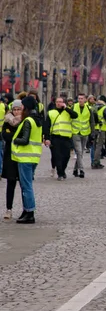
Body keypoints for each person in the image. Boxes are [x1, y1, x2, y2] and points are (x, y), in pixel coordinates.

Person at [12, 96, 44, 224]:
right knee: (27, 185)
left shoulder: (28, 121)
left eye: (23, 106)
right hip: (34, 156)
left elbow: (24, 140)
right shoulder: (37, 120)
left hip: (25, 157)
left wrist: (15, 140)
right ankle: (26, 210)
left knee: (26, 186)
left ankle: (30, 212)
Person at [44, 96, 78, 180]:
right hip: (55, 137)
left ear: (64, 103)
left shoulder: (68, 112)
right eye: (57, 102)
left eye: (60, 102)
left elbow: (75, 115)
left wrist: (66, 109)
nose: (59, 103)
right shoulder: (51, 112)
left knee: (66, 156)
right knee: (57, 156)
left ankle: (62, 170)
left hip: (66, 137)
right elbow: (46, 126)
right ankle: (60, 173)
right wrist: (47, 138)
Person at [3, 100, 22, 220]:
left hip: (22, 156)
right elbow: (5, 136)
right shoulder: (7, 121)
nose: (16, 112)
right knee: (10, 183)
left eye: (18, 109)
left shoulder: (25, 121)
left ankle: (27, 209)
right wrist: (16, 137)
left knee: (24, 184)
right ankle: (8, 209)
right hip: (10, 156)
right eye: (14, 109)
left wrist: (13, 137)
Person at [72, 94, 95, 178]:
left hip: (85, 133)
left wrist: (92, 133)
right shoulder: (74, 107)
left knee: (80, 153)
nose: (80, 100)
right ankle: (81, 170)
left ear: (85, 100)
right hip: (75, 132)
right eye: (79, 98)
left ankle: (75, 169)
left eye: (82, 98)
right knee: (79, 151)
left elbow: (92, 121)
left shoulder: (89, 109)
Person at [91, 96, 106, 169]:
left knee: (94, 146)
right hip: (101, 129)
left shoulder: (94, 108)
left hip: (95, 128)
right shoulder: (104, 108)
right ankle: (96, 162)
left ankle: (94, 161)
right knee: (99, 146)